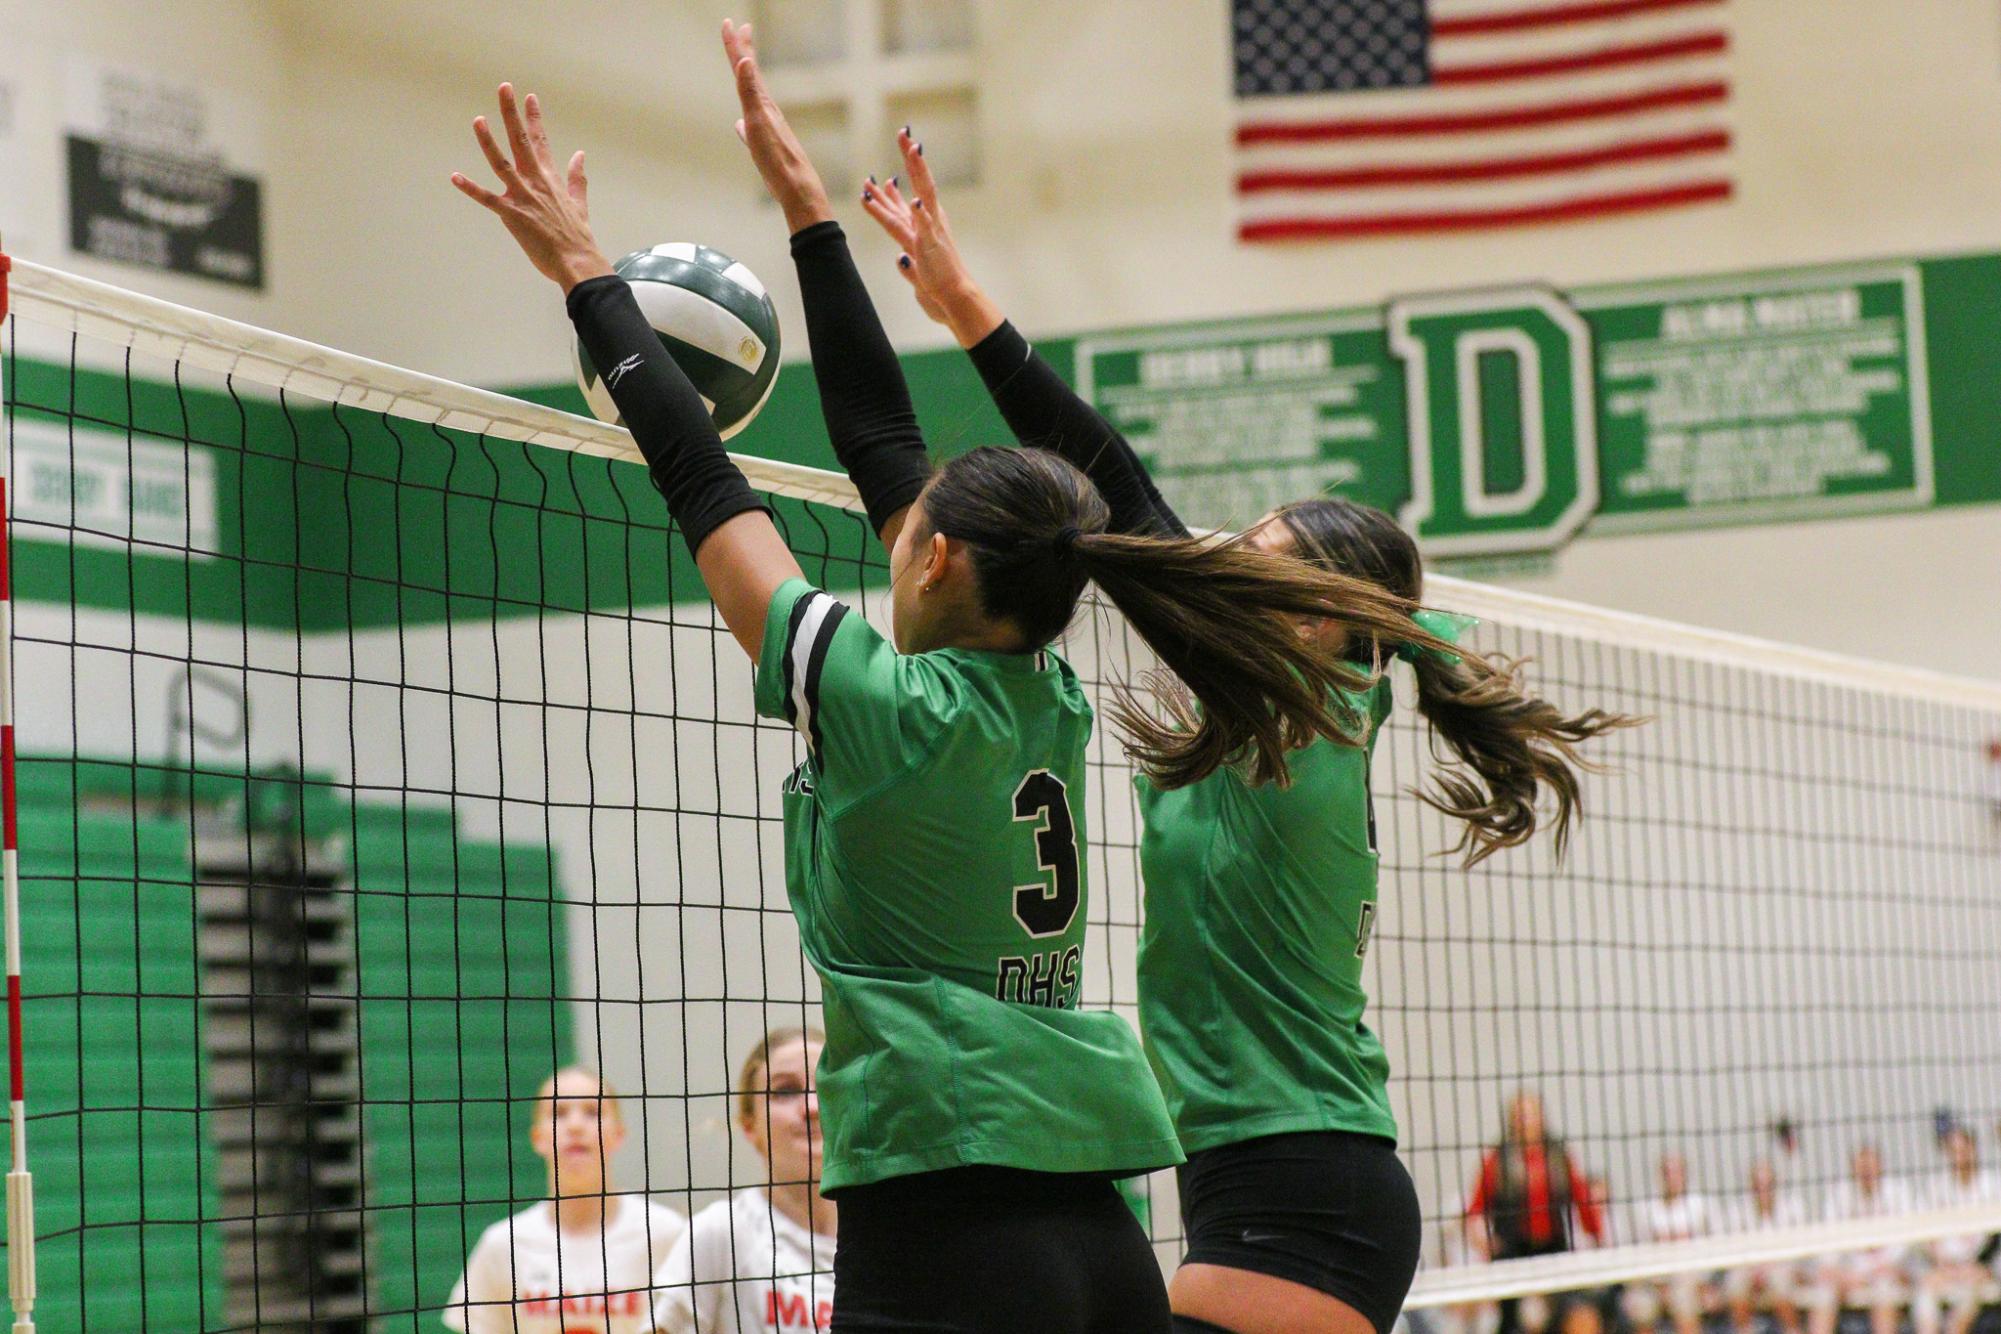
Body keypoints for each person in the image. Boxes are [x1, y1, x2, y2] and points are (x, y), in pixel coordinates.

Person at [453, 48, 1438, 1331]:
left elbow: (709, 486)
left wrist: (590, 278)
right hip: (1097, 1218)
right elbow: (883, 454)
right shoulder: (1050, 697)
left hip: (948, 1208)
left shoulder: (892, 703)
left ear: (938, 556)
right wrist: (812, 223)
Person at [852, 127, 1638, 1334]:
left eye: (1256, 558)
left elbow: (1116, 486)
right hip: (1259, 1175)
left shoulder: (1308, 708)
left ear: (1323, 617)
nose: (1220, 563)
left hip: (1305, 1190)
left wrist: (969, 312)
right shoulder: (1272, 710)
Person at [444, 1067, 686, 1333]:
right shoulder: (503, 1244)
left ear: (618, 1135)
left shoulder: (666, 1233)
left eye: (592, 1112)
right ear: (538, 1138)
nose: (575, 1126)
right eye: (558, 1114)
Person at [648, 1027, 836, 1333]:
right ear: (750, 1126)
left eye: (827, 1086)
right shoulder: (721, 1233)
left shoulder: (888, 1237)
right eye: (785, 1091)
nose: (812, 1107)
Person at [1463, 1094, 1607, 1334]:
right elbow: (1475, 1210)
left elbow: (1582, 1200)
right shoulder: (1496, 1160)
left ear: (1542, 1117)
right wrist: (1484, 1243)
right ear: (1510, 1120)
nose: (1525, 1120)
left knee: (1581, 1315)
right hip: (1511, 1256)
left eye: (1530, 1113)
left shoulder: (1559, 1156)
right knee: (1515, 1323)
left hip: (1554, 1252)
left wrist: (1598, 1238)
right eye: (1519, 1115)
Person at [1805, 1144, 1913, 1334]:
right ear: (1853, 1168)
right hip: (1849, 1273)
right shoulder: (1840, 1195)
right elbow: (1828, 1244)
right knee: (1823, 1293)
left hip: (1886, 1271)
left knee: (1884, 1289)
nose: (1866, 1171)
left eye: (1871, 1166)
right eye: (1861, 1167)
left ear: (1880, 1166)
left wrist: (1880, 1269)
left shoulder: (1897, 1192)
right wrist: (1840, 1273)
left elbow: (1905, 1243)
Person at [1912, 1127, 2000, 1334]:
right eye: (1954, 1150)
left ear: (1974, 1150)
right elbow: (1923, 1232)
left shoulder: (1992, 1185)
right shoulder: (1936, 1187)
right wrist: (1940, 1264)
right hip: (1944, 1267)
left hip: (1977, 1268)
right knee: (1924, 1299)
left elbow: (1996, 1236)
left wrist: (1978, 1265)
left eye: (1963, 1149)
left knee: (1962, 1311)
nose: (1959, 1155)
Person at [1621, 1152, 1715, 1334]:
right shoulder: (1646, 1209)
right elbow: (1638, 1253)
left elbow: (1710, 1251)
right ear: (1661, 1176)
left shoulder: (1698, 1206)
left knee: (1683, 1302)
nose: (1673, 1178)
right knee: (1639, 1305)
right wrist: (1655, 1283)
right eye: (1668, 1173)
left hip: (1688, 1281)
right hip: (1652, 1282)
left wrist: (1703, 1283)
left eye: (1677, 1173)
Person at [1721, 1159, 1807, 1334]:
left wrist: (1769, 1268)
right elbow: (1734, 1250)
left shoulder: (1791, 1207)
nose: (1763, 1190)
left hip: (1783, 1268)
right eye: (1758, 1185)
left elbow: (1797, 1251)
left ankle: (1792, 1329)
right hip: (1750, 1269)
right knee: (1735, 1283)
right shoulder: (1738, 1211)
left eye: (1768, 1185)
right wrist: (1755, 1269)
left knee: (1780, 1281)